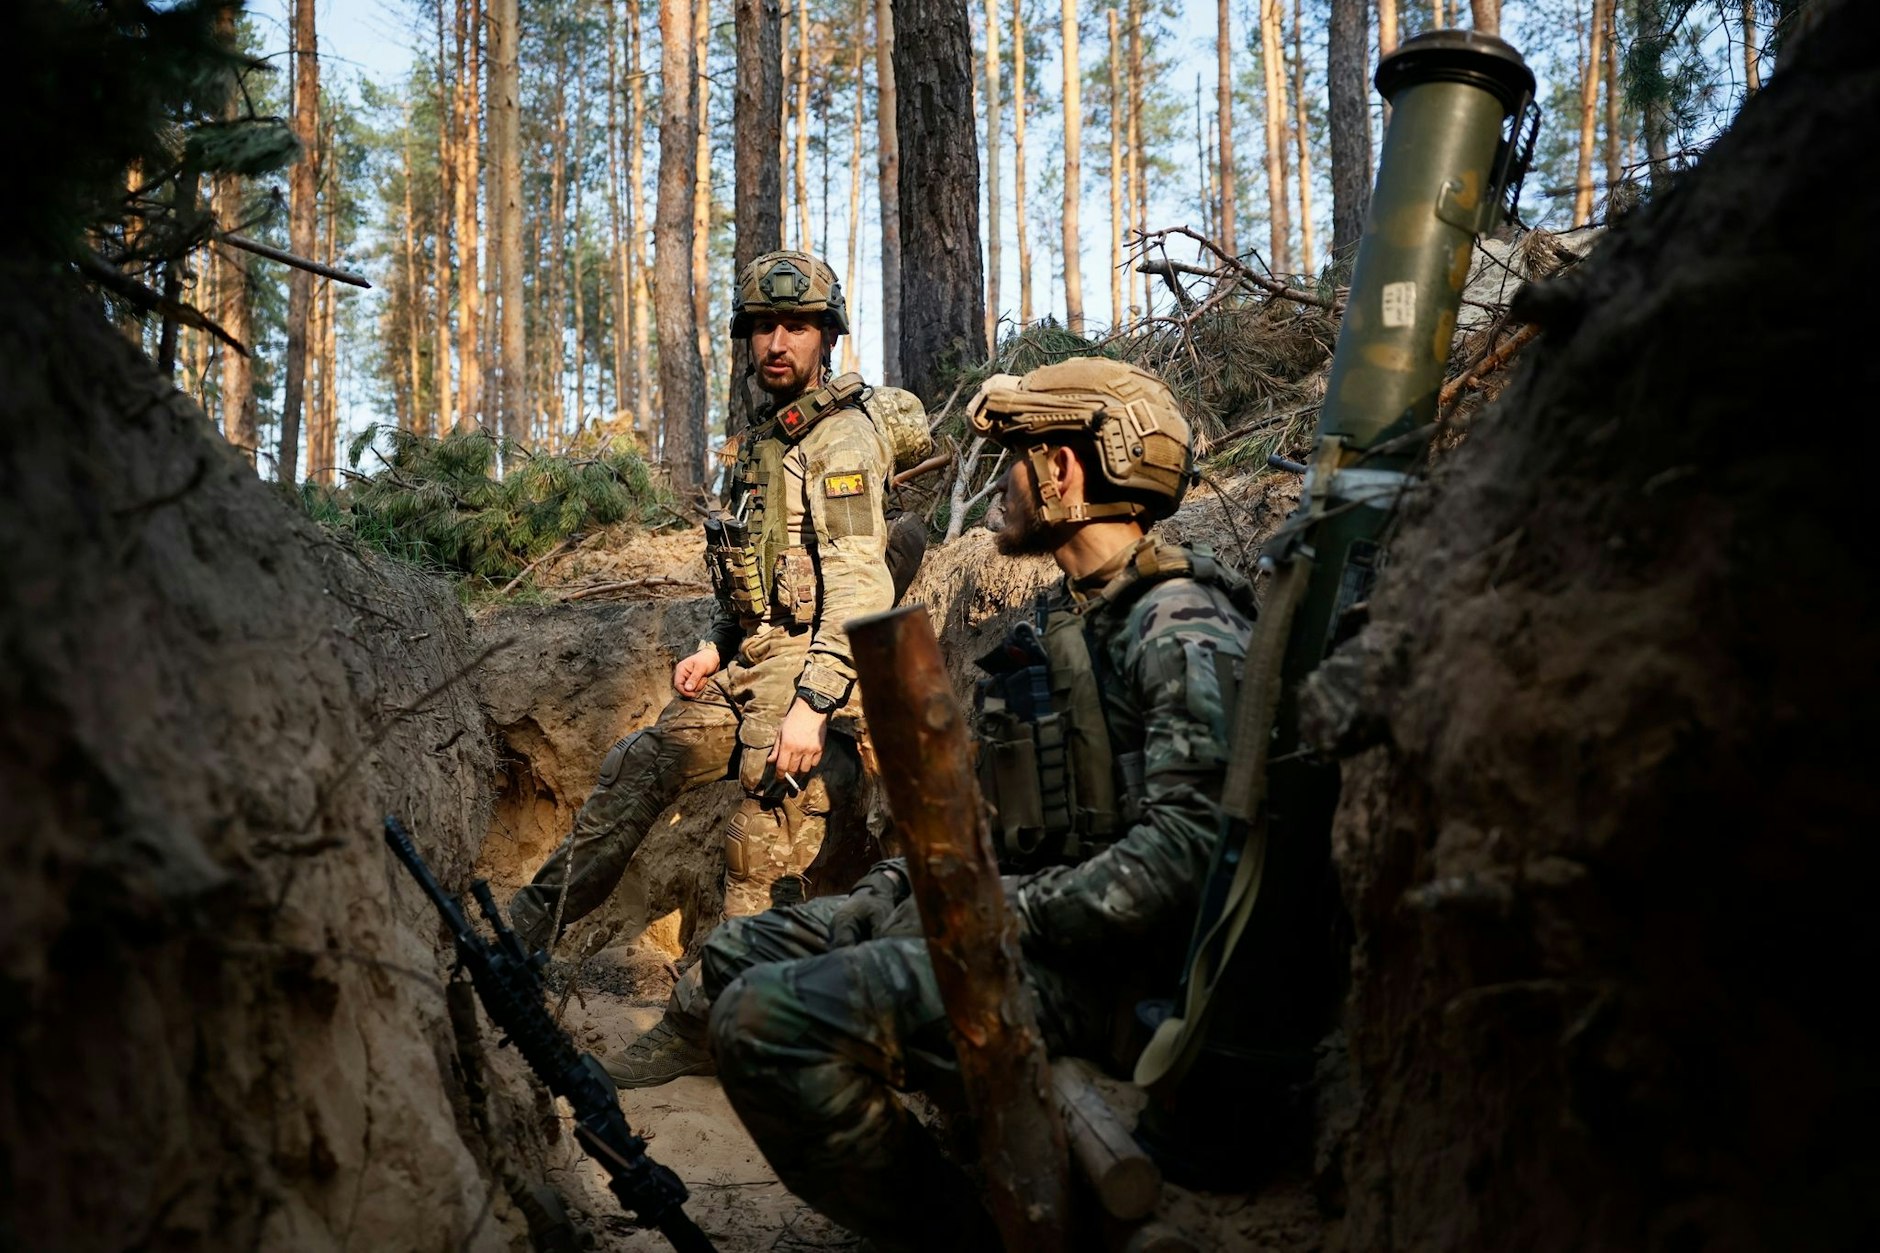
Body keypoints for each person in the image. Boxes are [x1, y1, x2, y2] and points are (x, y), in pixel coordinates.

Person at [622, 357, 1256, 1248]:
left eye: (1017, 460)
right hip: (1030, 926)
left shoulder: (1178, 623)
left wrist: (994, 914)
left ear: (1064, 472)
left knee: (763, 1023)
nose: (1002, 483)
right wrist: (900, 896)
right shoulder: (1076, 618)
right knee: (741, 951)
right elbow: (1022, 828)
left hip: (1107, 979)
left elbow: (1187, 857)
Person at [507, 252, 896, 1048]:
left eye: (794, 326)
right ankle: (515, 937)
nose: (776, 341)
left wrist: (814, 704)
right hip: (755, 657)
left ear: (827, 336)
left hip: (818, 661)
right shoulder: (765, 442)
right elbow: (753, 581)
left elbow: (859, 588)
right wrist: (715, 646)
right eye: (761, 327)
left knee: (763, 830)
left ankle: (708, 1031)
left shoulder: (843, 439)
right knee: (638, 766)